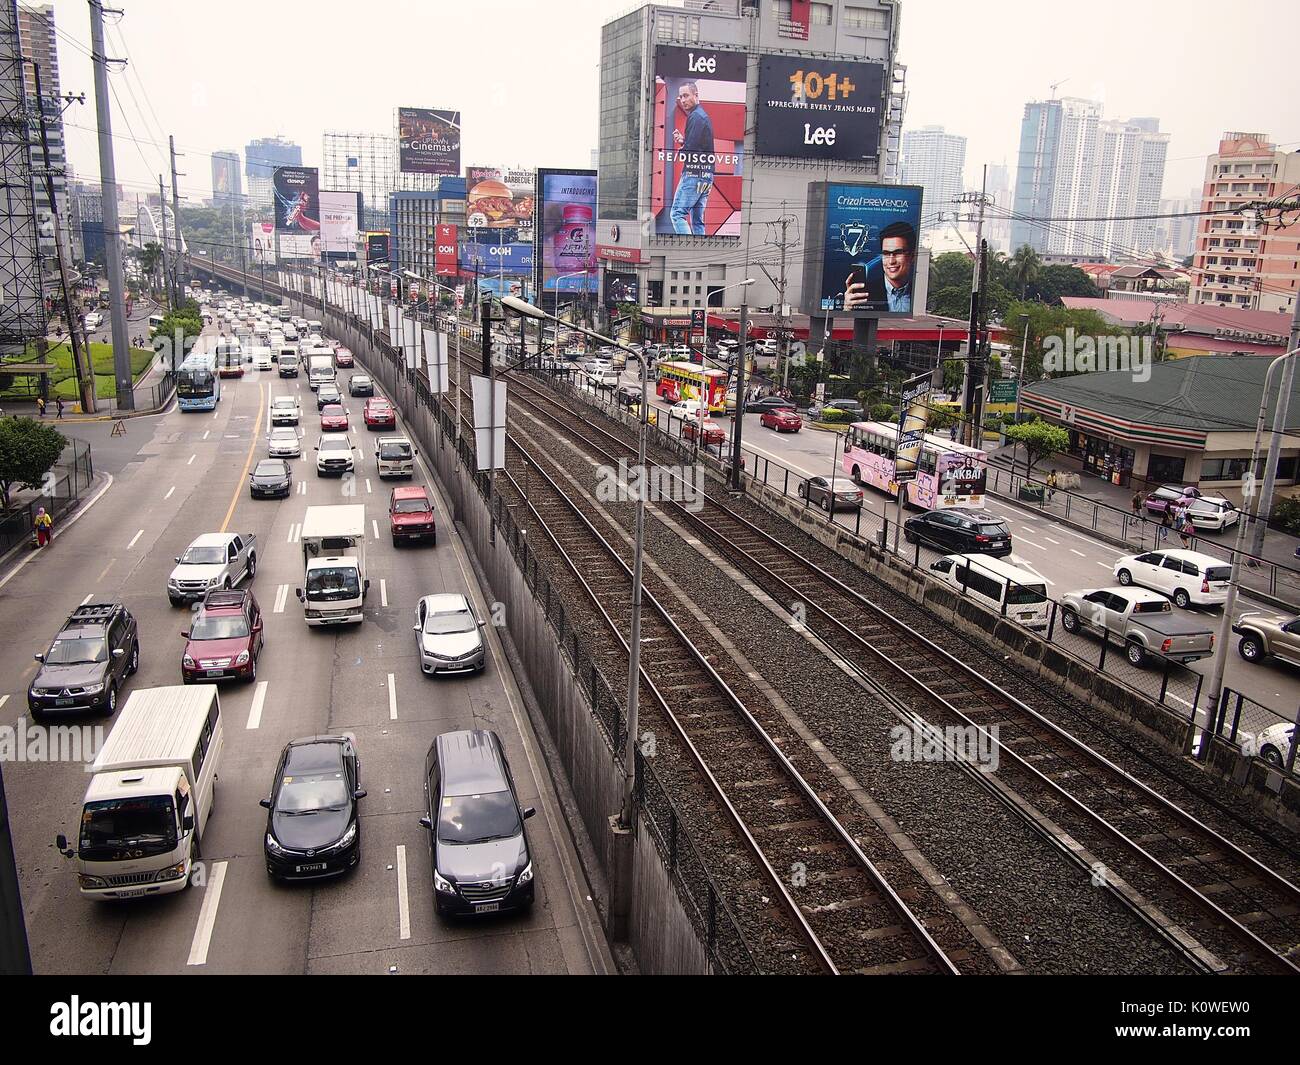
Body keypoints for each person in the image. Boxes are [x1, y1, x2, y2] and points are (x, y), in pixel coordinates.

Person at [668, 81, 715, 236]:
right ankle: (700, 255)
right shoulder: (703, 116)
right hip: (707, 176)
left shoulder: (695, 117)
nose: (683, 100)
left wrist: (682, 149)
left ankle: (687, 251)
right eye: (681, 96)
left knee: (677, 214)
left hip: (693, 175)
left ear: (696, 95)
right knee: (697, 221)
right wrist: (684, 141)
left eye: (686, 95)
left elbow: (691, 151)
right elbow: (698, 146)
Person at [844, 221, 916, 313]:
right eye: (885, 253)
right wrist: (846, 310)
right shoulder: (863, 294)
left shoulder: (920, 295)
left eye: (898, 253)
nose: (891, 261)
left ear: (912, 256)